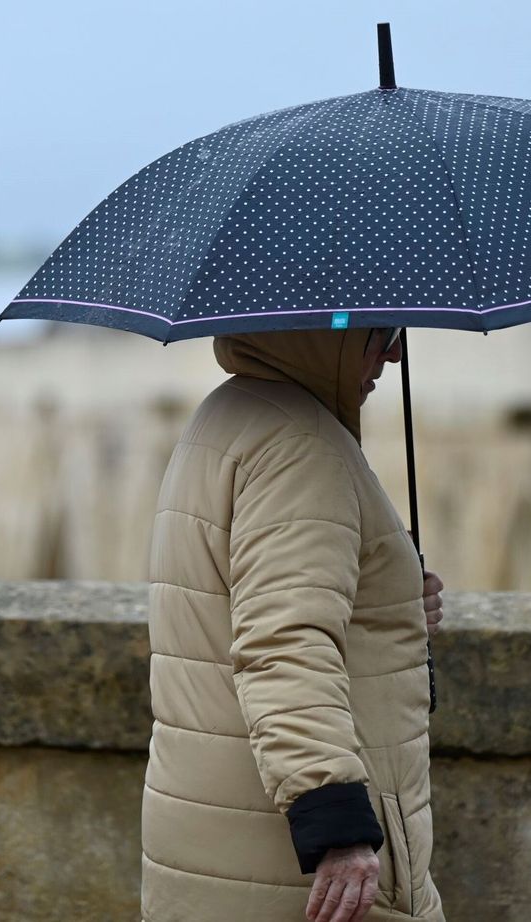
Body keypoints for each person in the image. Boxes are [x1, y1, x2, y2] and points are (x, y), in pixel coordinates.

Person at [141, 324, 447, 922]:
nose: (395, 351)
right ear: (321, 334)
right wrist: (337, 825)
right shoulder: (301, 448)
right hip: (285, 864)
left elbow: (244, 608)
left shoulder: (227, 417)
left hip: (213, 838)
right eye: (378, 331)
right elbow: (285, 644)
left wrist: (392, 602)